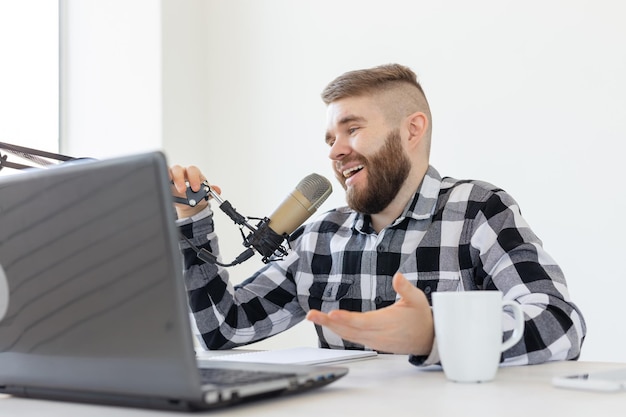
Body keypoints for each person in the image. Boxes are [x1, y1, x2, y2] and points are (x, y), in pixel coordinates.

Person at [170, 63, 586, 367]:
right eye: (330, 138)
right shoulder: (319, 236)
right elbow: (224, 329)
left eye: (352, 130)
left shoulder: (477, 210)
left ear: (412, 129)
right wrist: (194, 220)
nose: (334, 151)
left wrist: (436, 335)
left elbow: (559, 323)